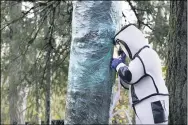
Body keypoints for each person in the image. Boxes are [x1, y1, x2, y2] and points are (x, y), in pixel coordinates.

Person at [111, 24, 169, 124]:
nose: (124, 50)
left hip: (153, 104)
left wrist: (119, 65)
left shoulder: (146, 54)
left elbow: (129, 77)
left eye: (124, 46)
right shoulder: (140, 58)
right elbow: (127, 84)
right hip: (146, 105)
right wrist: (122, 67)